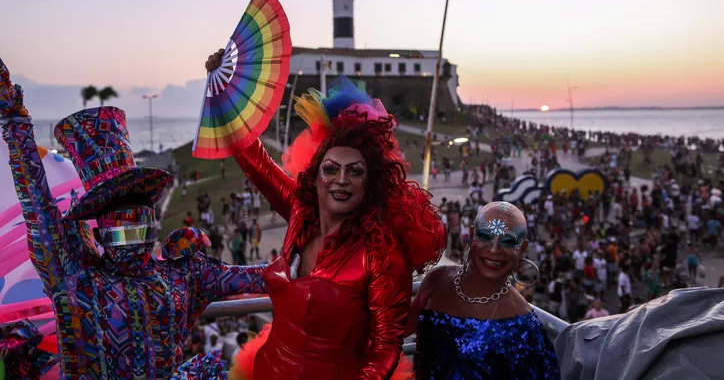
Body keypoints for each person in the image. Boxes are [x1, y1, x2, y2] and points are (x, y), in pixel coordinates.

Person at [0, 59, 267, 379]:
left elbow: (269, 275)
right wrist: (14, 120)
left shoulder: (181, 274)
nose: (134, 243)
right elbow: (38, 207)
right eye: (122, 234)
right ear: (100, 235)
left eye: (143, 230)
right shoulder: (78, 278)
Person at [202, 49, 446, 380]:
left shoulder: (381, 253)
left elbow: (386, 349)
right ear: (315, 176)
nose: (341, 180)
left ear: (369, 182)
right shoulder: (301, 214)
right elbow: (253, 158)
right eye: (330, 169)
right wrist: (224, 89)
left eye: (355, 171)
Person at [408, 201, 560, 379]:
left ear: (523, 249)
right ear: (472, 234)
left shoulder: (524, 324)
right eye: (485, 236)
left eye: (508, 241)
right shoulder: (438, 280)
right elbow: (397, 330)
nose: (494, 249)